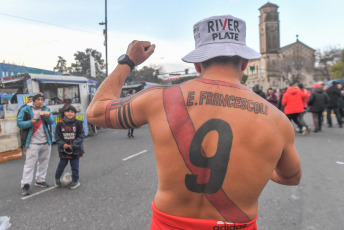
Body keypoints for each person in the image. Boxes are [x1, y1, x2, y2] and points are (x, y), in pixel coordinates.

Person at [86, 15, 301, 230]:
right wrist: (260, 165)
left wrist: (128, 62)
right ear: (244, 63)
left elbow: (95, 112)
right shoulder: (277, 120)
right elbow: (291, 177)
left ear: (197, 64)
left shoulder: (159, 99)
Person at [17, 92, 55, 196]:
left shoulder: (46, 109)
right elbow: (19, 123)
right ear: (33, 100)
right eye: (38, 99)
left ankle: (40, 180)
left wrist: (47, 117)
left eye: (42, 99)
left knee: (44, 162)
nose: (40, 101)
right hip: (32, 142)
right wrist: (30, 122)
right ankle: (25, 185)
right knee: (29, 165)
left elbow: (52, 122)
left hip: (45, 141)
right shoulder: (25, 109)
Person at [54, 105, 84, 189]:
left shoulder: (78, 123)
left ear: (75, 113)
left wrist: (72, 145)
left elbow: (81, 136)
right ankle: (57, 178)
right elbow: (57, 136)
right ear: (64, 113)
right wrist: (63, 144)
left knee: (75, 166)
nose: (70, 113)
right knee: (61, 165)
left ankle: (75, 181)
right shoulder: (60, 124)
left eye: (72, 112)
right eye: (68, 112)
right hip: (64, 149)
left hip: (76, 149)